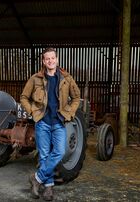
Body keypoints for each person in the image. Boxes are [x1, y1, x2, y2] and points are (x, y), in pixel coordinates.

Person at [20, 47, 81, 201]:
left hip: (59, 122)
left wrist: (70, 113)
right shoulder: (35, 79)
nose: (50, 61)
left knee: (59, 152)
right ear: (43, 61)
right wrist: (33, 113)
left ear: (57, 59)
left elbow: (76, 97)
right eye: (47, 59)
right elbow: (24, 97)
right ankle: (48, 188)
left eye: (52, 58)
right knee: (44, 155)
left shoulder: (66, 78)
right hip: (43, 123)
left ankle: (37, 178)